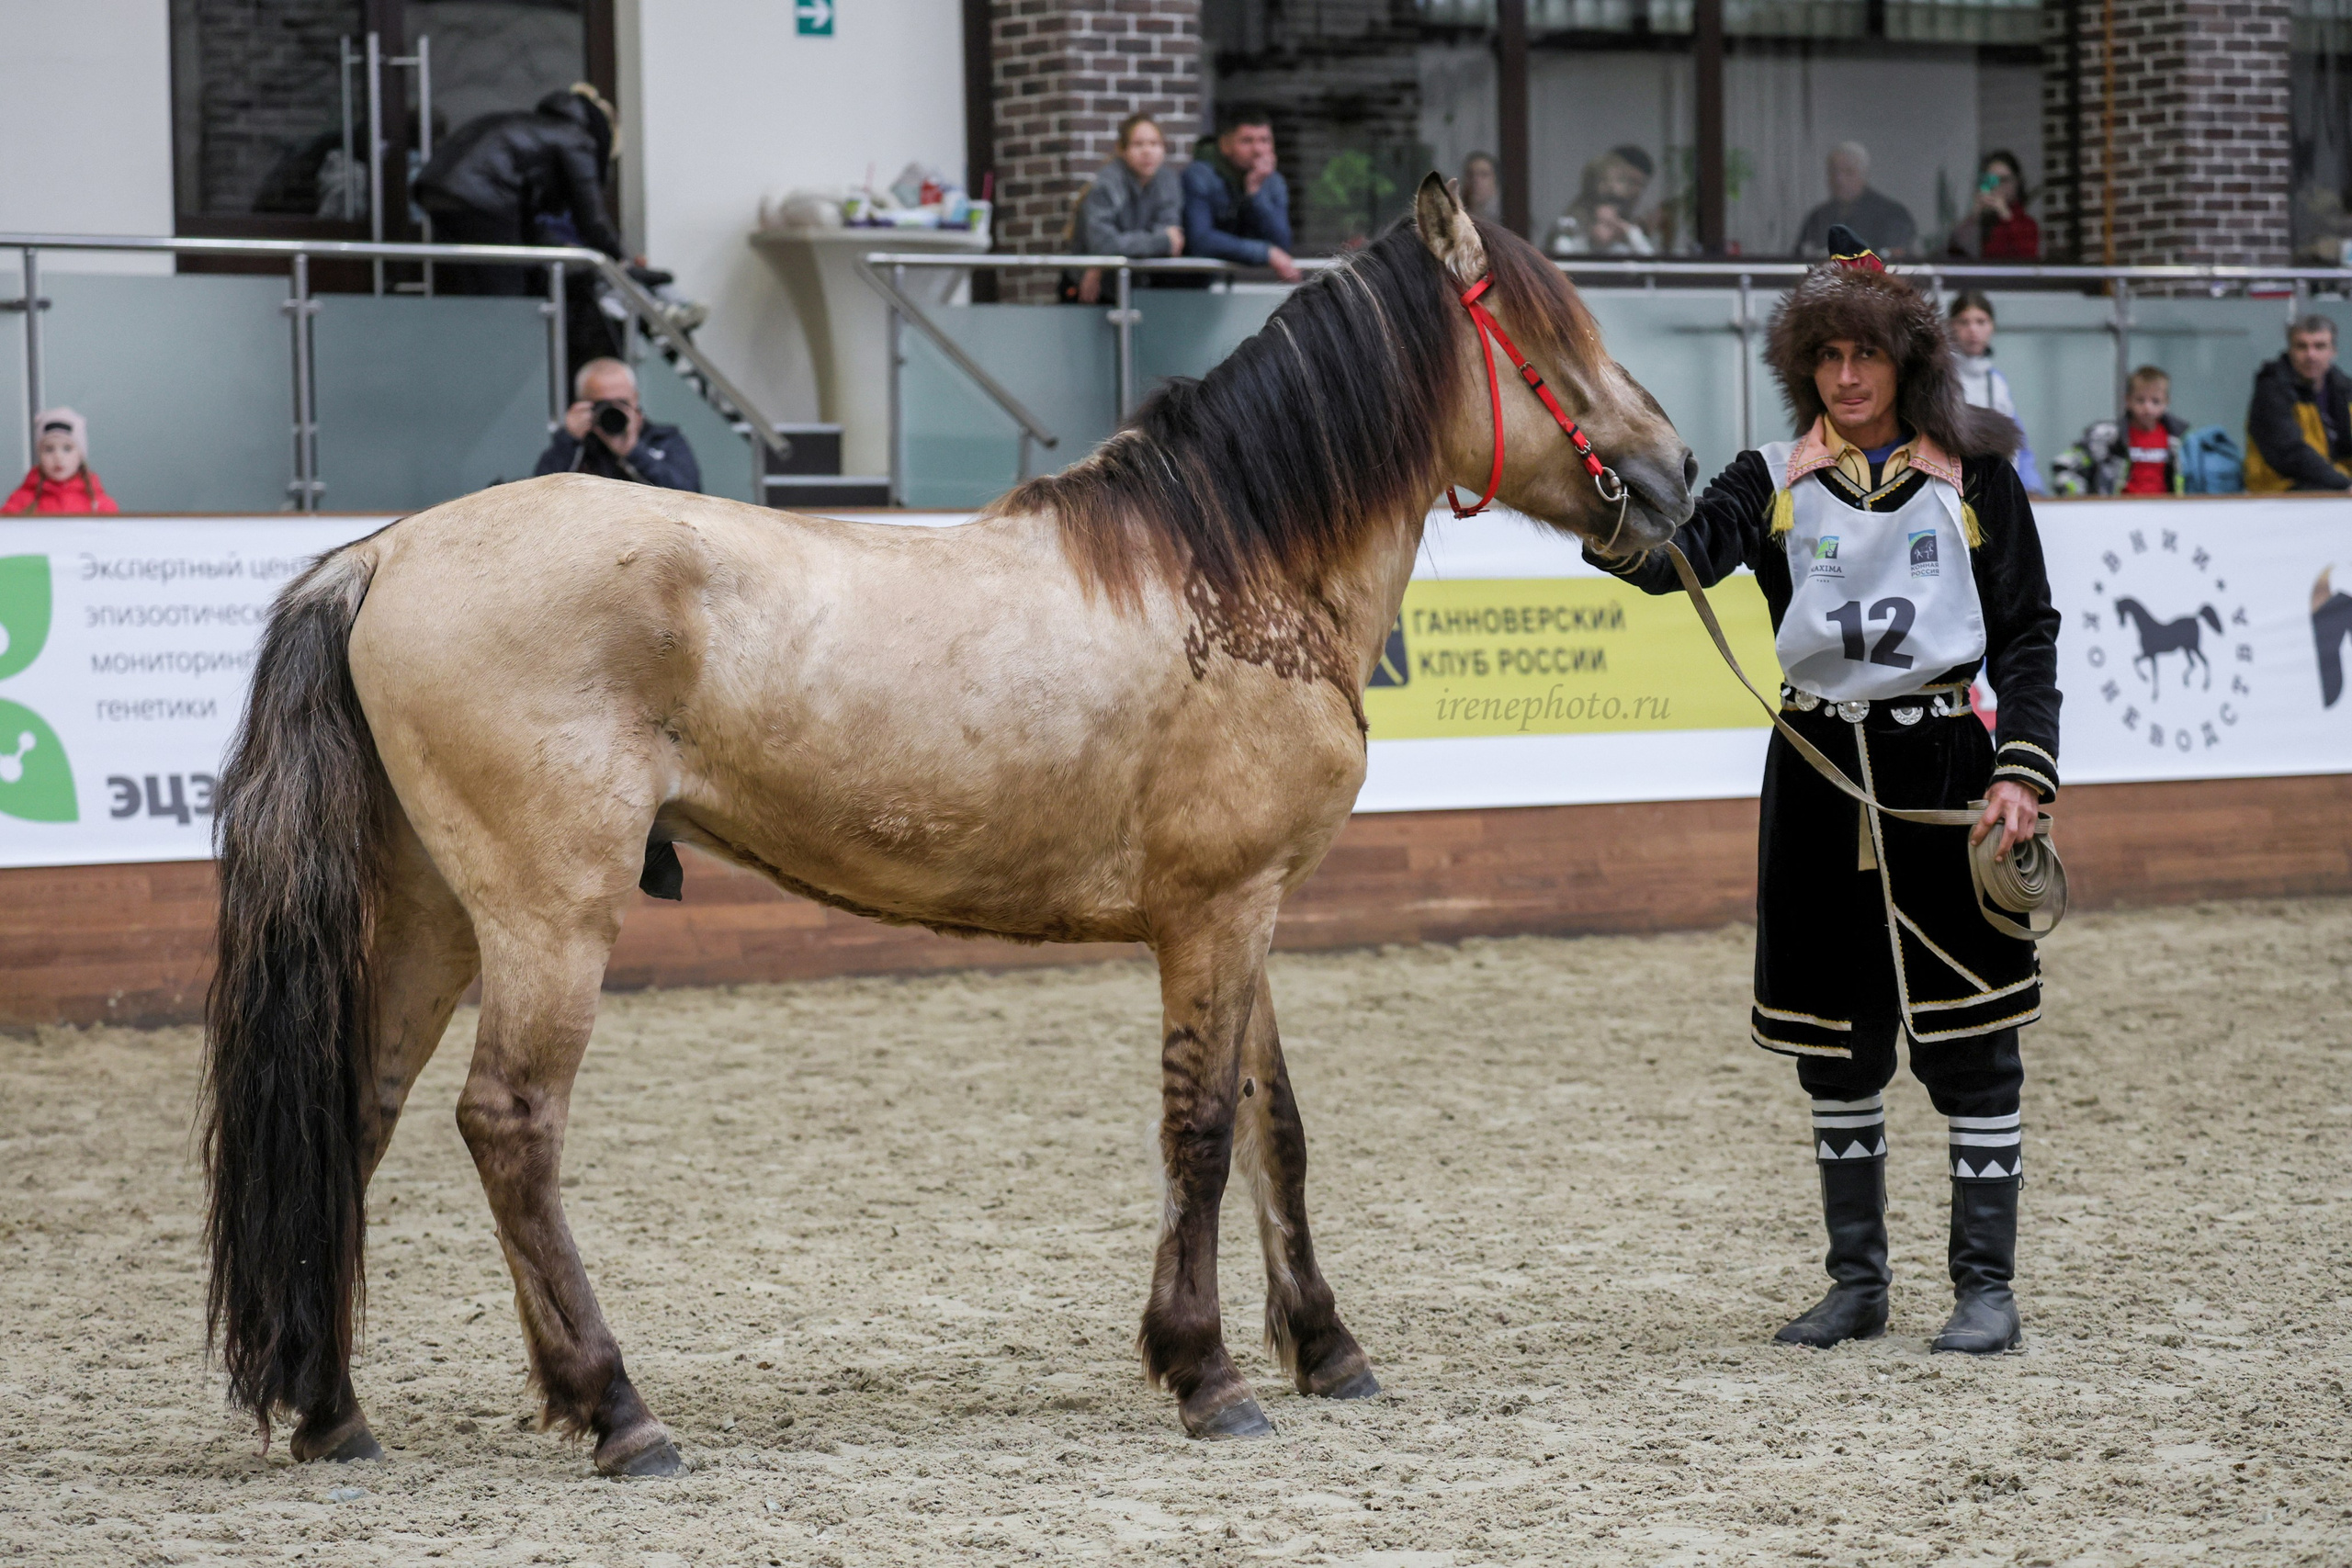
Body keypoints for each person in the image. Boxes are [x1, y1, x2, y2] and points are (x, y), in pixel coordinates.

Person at [1587, 226, 2060, 1358]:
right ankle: (1858, 1285)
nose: (1845, 379)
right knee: (1833, 1041)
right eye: (1827, 358)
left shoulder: (1979, 473)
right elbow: (1678, 560)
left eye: (1867, 357)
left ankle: (1982, 1288)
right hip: (1813, 776)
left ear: (1908, 363)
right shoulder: (1768, 477)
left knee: (1970, 1036)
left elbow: (2029, 636)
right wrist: (1598, 503)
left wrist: (2023, 773)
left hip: (1944, 774)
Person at [415, 84, 627, 296]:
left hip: (436, 191)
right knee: (505, 288)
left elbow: (526, 217)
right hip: (477, 195)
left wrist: (560, 245)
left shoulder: (531, 126)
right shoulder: (576, 139)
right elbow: (591, 219)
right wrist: (620, 262)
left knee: (470, 286)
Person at [534, 357, 699, 491]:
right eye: (602, 405)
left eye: (621, 402)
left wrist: (633, 451)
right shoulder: (576, 446)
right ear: (582, 404)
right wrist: (569, 440)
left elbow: (688, 498)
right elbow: (539, 497)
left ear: (635, 399)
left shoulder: (664, 440)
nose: (613, 412)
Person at [1071, 114, 1186, 305]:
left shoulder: (1168, 180)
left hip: (1140, 289)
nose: (1147, 151)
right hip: (1092, 292)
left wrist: (1119, 250)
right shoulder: (1107, 184)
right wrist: (1159, 241)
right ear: (1122, 149)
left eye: (1155, 143)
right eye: (1138, 144)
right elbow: (1104, 245)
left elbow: (1173, 238)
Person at [1182, 106, 1301, 281]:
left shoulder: (1272, 180)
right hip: (1192, 286)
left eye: (1265, 140)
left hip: (1245, 286)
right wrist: (1265, 253)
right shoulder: (1200, 175)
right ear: (1225, 145)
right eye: (1247, 141)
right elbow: (1200, 240)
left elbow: (1281, 243)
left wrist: (1255, 193)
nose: (1258, 150)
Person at [1948, 292, 2044, 492]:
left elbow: (2018, 442)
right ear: (1950, 326)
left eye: (1981, 321)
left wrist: (2031, 485)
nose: (1972, 330)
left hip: (1998, 487)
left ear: (1992, 326)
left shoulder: (1997, 382)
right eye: (1964, 322)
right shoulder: (1941, 379)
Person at [2245, 314, 2352, 491]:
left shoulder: (2343, 389)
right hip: (2280, 489)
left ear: (2333, 351)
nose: (2311, 355)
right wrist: (2344, 484)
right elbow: (2289, 453)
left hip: (2330, 482)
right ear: (2290, 351)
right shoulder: (2272, 389)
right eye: (2302, 347)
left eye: (2319, 346)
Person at [2052, 367, 2188, 496]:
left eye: (2156, 401)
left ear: (2167, 402)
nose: (2147, 408)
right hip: (2117, 511)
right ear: (2128, 400)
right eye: (2140, 400)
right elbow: (2064, 466)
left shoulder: (2179, 440)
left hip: (2165, 511)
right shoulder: (2106, 436)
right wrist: (2083, 501)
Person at [1795, 143, 1918, 260]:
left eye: (1848, 172)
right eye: (1833, 172)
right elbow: (1799, 259)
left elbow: (1895, 259)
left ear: (1863, 174)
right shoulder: (1818, 217)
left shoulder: (1893, 215)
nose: (1839, 180)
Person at [1544, 146, 1657, 257]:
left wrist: (1630, 234)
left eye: (1641, 185)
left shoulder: (1629, 229)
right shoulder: (1571, 225)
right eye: (1629, 181)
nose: (1635, 191)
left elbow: (1649, 261)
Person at [4, 408, 118, 515]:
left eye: (67, 449)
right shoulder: (20, 502)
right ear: (40, 455)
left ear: (80, 455)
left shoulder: (99, 504)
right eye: (49, 449)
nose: (58, 457)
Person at [1946, 152, 2039, 262]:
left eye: (2003, 180)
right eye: (1991, 181)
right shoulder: (1980, 223)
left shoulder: (2027, 224)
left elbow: (2027, 256)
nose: (1997, 186)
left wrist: (2006, 215)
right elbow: (1955, 254)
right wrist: (1974, 217)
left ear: (2017, 182)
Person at [1460, 152, 1502, 223]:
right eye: (1470, 174)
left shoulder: (1501, 223)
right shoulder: (1452, 221)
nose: (1475, 180)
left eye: (1483, 175)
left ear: (1494, 183)